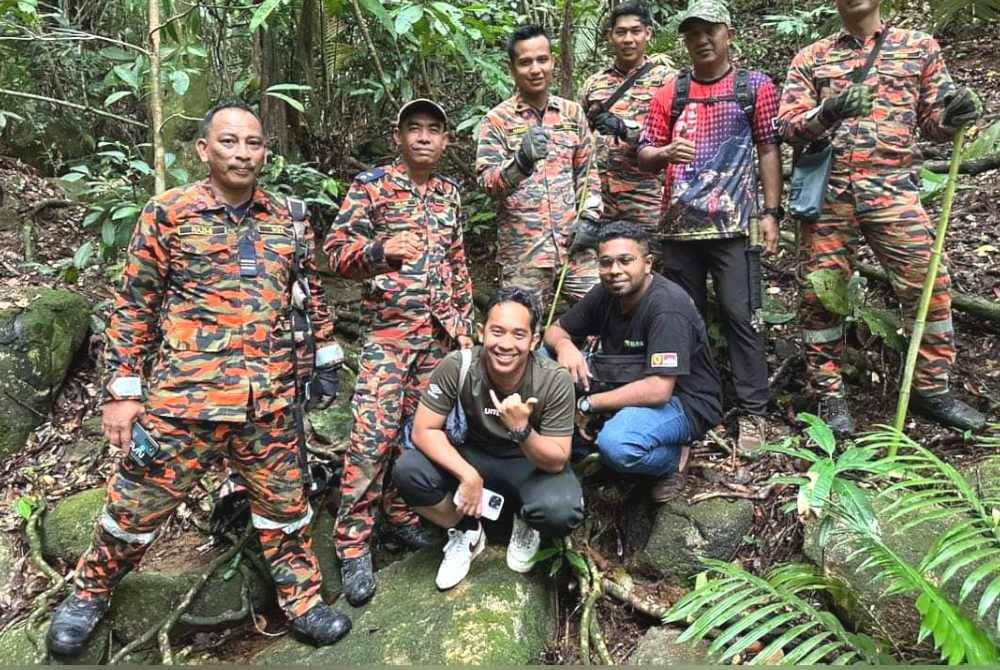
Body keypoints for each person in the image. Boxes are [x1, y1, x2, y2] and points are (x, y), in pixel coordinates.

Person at [46, 102, 351, 657]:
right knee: (135, 507)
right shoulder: (169, 213)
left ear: (265, 151)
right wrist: (121, 392)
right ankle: (89, 593)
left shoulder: (287, 217)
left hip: (270, 400)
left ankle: (301, 599)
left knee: (287, 509)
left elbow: (306, 296)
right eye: (230, 142)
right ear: (204, 150)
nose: (242, 153)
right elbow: (134, 306)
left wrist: (324, 357)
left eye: (253, 143)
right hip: (186, 399)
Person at [777, 0, 986, 434]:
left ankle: (931, 388)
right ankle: (829, 394)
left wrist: (955, 115)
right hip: (828, 194)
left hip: (893, 189)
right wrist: (828, 112)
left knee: (929, 283)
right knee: (819, 294)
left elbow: (934, 122)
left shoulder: (919, 47)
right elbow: (788, 127)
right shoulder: (811, 57)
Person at [324, 99, 476, 605]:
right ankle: (351, 546)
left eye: (435, 129)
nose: (425, 138)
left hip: (439, 339)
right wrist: (378, 253)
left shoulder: (451, 193)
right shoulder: (373, 187)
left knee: (422, 439)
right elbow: (335, 254)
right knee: (370, 441)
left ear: (446, 140)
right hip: (389, 337)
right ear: (399, 136)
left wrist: (466, 327)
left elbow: (457, 264)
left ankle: (402, 516)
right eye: (415, 129)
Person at [636, 0, 783, 451]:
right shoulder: (670, 93)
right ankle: (700, 406)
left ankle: (754, 413)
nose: (701, 39)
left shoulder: (753, 87)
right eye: (693, 32)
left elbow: (768, 149)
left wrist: (771, 213)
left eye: (710, 30)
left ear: (729, 34)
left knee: (743, 317)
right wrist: (663, 154)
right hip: (680, 229)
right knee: (686, 320)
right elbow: (644, 151)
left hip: (736, 227)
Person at [393, 287, 584, 590]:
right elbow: (424, 430)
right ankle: (467, 530)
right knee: (408, 471)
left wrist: (521, 429)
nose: (506, 344)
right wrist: (467, 474)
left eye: (518, 335)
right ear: (482, 333)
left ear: (534, 340)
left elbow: (558, 457)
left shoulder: (553, 379)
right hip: (474, 454)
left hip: (527, 463)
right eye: (497, 332)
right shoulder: (459, 365)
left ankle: (525, 523)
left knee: (561, 510)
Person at [543, 222, 722, 502]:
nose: (615, 271)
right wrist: (565, 345)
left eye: (626, 261)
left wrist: (589, 404)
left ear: (648, 263)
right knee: (544, 360)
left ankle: (674, 459)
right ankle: (562, 447)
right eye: (606, 263)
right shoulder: (607, 293)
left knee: (617, 444)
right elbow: (553, 331)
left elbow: (659, 390)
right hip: (624, 378)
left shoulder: (667, 308)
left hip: (683, 400)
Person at [476, 24, 604, 313]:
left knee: (607, 314)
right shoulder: (497, 120)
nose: (535, 69)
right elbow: (487, 183)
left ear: (553, 62)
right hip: (524, 254)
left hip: (575, 248)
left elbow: (588, 175)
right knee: (520, 328)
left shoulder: (572, 114)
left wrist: (590, 218)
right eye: (525, 62)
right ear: (512, 68)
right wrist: (519, 163)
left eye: (542, 60)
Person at [578, 1, 675, 237]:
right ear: (611, 36)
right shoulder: (594, 84)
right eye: (621, 32)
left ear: (647, 33)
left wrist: (625, 130)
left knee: (647, 263)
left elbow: (678, 138)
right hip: (599, 198)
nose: (628, 39)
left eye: (635, 31)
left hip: (646, 197)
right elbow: (579, 136)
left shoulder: (668, 81)